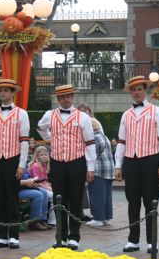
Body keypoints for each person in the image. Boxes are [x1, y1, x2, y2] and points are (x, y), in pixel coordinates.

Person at [115, 75, 159, 254]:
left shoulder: (156, 111)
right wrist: (118, 165)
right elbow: (121, 141)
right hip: (131, 161)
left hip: (151, 160)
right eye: (134, 90)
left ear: (145, 90)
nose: (137, 92)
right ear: (130, 92)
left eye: (139, 89)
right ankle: (133, 240)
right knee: (132, 201)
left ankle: (151, 241)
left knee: (150, 201)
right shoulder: (126, 115)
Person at [37, 84, 96, 250]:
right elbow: (40, 127)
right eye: (62, 97)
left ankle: (74, 236)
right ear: (58, 99)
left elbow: (90, 143)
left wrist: (91, 167)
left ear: (72, 97)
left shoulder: (83, 117)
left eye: (68, 96)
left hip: (77, 162)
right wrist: (50, 138)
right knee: (59, 199)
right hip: (57, 163)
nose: (65, 99)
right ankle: (61, 236)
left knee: (76, 200)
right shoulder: (50, 115)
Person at [0, 79, 30, 249]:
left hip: (13, 158)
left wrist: (22, 165)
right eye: (1, 90)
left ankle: (14, 235)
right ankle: (1, 235)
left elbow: (24, 141)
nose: (2, 93)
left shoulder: (21, 114)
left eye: (6, 90)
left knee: (12, 197)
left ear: (13, 93)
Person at [87, 117, 114, 227]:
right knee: (106, 195)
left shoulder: (95, 138)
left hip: (98, 169)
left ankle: (98, 218)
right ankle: (106, 217)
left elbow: (92, 155)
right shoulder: (103, 136)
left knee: (97, 194)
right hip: (108, 169)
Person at [28, 145, 56, 226]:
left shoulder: (44, 165)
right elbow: (38, 182)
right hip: (36, 186)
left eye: (46, 154)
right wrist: (49, 188)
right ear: (37, 156)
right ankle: (52, 221)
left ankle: (51, 220)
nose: (44, 156)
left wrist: (50, 187)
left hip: (43, 186)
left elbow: (45, 181)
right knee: (53, 196)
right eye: (42, 155)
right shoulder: (36, 166)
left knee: (56, 194)